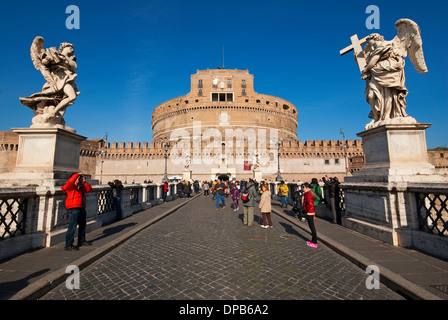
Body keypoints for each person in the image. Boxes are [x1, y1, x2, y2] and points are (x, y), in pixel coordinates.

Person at [61, 173, 93, 251]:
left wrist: (84, 182)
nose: (80, 180)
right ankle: (68, 245)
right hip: (74, 208)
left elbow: (89, 189)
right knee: (72, 227)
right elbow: (69, 183)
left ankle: (81, 241)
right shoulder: (70, 187)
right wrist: (77, 175)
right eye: (79, 178)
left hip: (81, 207)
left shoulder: (81, 187)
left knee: (82, 226)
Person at [302, 182, 318, 248]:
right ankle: (313, 240)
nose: (302, 189)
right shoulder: (309, 193)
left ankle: (314, 242)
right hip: (310, 211)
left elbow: (310, 204)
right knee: (311, 227)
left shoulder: (308, 194)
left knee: (312, 227)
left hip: (309, 212)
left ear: (306, 187)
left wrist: (305, 210)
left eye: (303, 187)